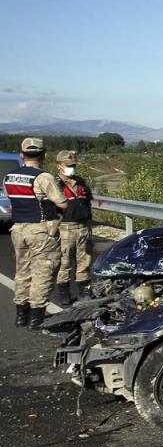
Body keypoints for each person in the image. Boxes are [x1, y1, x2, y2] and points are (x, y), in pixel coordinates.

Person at [4, 138, 68, 328]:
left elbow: (13, 198)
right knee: (43, 270)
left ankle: (20, 315)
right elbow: (62, 203)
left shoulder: (9, 177)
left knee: (22, 270)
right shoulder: (43, 177)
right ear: (44, 154)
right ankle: (36, 316)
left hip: (18, 229)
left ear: (21, 155)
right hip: (39, 229)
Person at [53, 150, 94, 305]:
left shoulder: (81, 182)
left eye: (73, 165)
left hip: (82, 227)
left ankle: (84, 293)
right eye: (68, 165)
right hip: (65, 228)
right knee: (64, 262)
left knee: (84, 261)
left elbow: (87, 202)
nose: (71, 168)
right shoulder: (54, 183)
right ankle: (64, 293)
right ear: (58, 166)